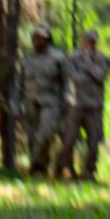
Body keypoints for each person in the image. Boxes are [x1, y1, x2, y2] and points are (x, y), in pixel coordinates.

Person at [56, 29, 110, 182]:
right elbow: (73, 77)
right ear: (82, 41)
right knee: (69, 139)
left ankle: (89, 172)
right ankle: (66, 170)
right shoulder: (72, 57)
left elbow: (101, 76)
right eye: (88, 40)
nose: (90, 44)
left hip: (95, 106)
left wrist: (86, 65)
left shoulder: (103, 59)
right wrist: (90, 71)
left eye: (93, 41)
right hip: (75, 105)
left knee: (94, 141)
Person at [17, 24, 69, 178]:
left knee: (45, 135)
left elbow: (66, 82)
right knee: (32, 137)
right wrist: (16, 106)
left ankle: (35, 165)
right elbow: (19, 83)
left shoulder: (58, 58)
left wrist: (67, 102)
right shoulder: (27, 59)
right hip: (30, 102)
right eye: (35, 38)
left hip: (51, 102)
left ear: (47, 40)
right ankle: (40, 170)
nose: (37, 41)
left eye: (41, 38)